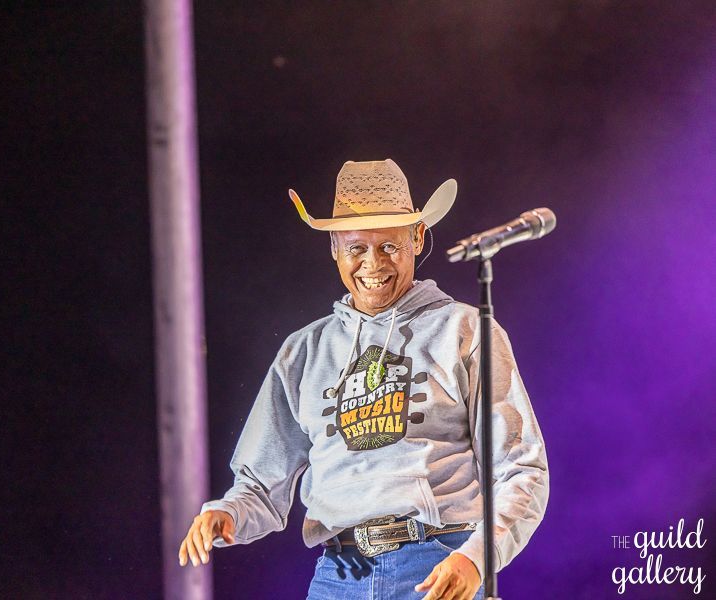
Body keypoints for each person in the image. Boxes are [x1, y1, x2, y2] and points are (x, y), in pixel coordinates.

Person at [178, 159, 549, 600]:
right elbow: (260, 485)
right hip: (338, 575)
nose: (372, 264)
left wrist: (475, 560)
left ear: (417, 238)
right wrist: (228, 514)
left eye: (389, 246)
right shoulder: (304, 351)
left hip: (436, 564)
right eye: (356, 248)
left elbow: (522, 470)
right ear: (334, 247)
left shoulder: (465, 331)